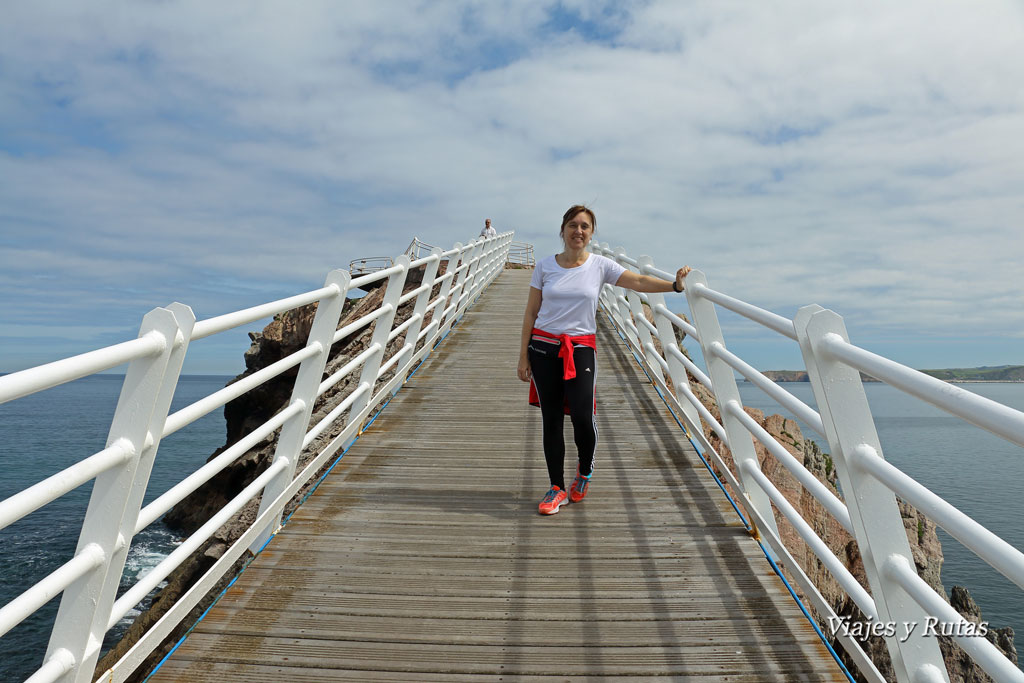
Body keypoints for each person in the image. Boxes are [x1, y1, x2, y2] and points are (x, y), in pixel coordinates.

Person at [517, 204, 691, 515]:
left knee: (583, 416)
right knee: (551, 420)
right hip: (543, 348)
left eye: (584, 226)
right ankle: (556, 488)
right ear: (563, 229)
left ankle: (584, 472)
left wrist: (675, 286)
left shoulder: (599, 265)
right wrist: (522, 356)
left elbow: (637, 282)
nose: (578, 231)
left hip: (580, 347)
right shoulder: (545, 266)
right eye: (573, 225)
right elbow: (531, 312)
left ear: (591, 233)